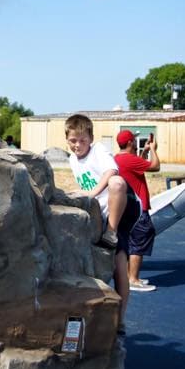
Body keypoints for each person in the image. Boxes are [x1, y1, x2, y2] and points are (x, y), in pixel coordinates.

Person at [64, 113, 138, 334]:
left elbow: (112, 172)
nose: (78, 145)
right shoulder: (72, 159)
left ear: (91, 139)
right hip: (102, 212)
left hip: (123, 208)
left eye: (83, 140)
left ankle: (120, 319)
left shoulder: (98, 150)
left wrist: (93, 193)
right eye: (73, 141)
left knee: (119, 263)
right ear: (66, 140)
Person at [115, 129, 159, 292]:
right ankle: (133, 279)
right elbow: (155, 166)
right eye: (133, 140)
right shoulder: (130, 159)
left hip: (126, 207)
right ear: (129, 142)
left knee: (131, 242)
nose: (135, 141)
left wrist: (145, 151)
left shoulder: (118, 159)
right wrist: (153, 149)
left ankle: (130, 276)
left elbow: (137, 166)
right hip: (138, 207)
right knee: (139, 240)